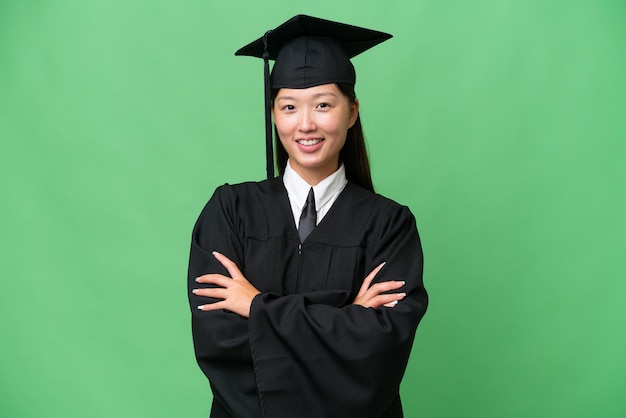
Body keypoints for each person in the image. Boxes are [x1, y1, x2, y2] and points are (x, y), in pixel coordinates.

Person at [188, 15, 428, 418]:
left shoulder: (390, 225)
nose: (305, 124)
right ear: (273, 114)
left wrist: (257, 307)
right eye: (289, 106)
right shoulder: (230, 212)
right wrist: (345, 317)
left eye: (323, 104)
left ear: (351, 112)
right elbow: (219, 343)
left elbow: (378, 354)